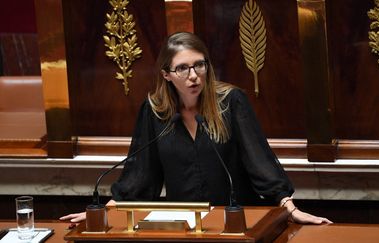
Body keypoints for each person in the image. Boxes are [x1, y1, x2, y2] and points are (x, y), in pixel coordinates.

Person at [61, 32, 332, 226]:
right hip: (185, 226)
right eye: (182, 68)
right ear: (166, 74)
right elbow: (140, 174)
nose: (193, 75)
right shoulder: (154, 112)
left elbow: (260, 162)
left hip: (236, 221)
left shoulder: (231, 102)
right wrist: (102, 212)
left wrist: (290, 208)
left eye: (199, 65)